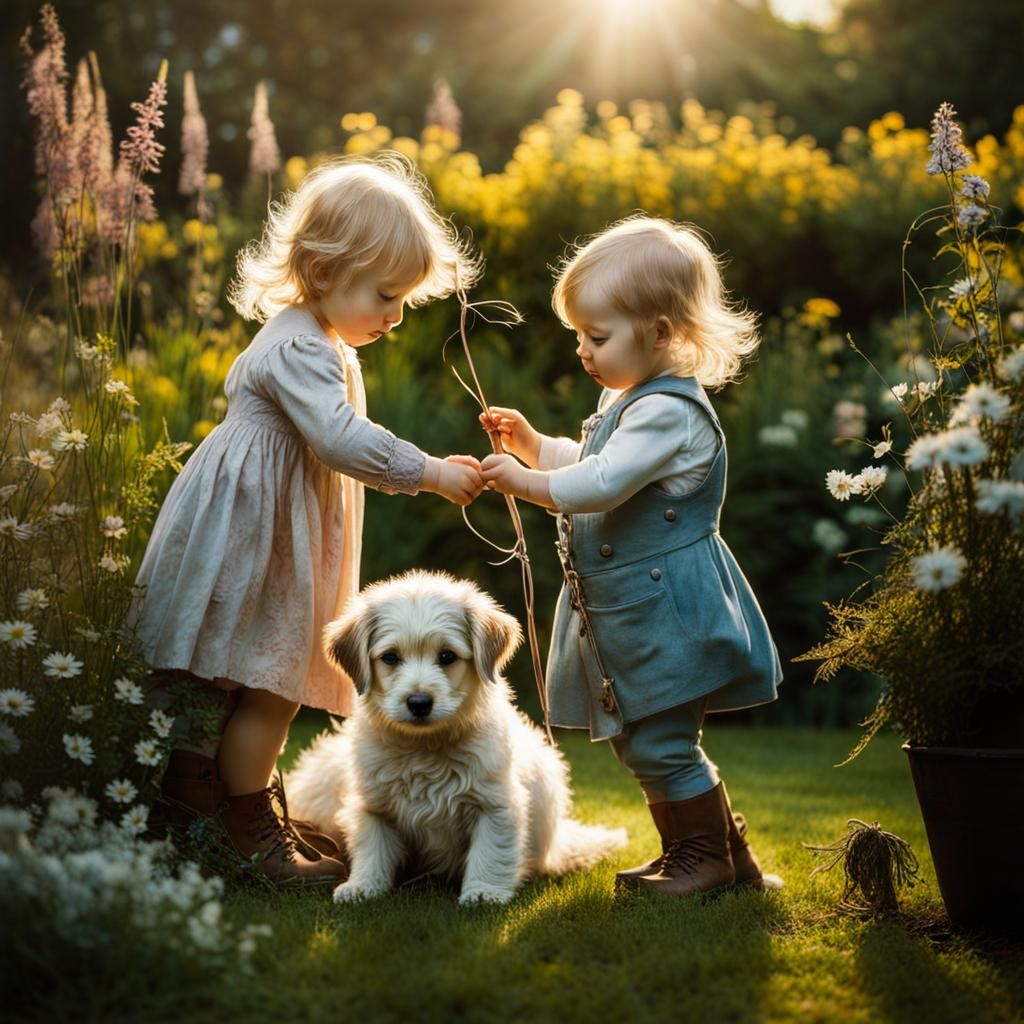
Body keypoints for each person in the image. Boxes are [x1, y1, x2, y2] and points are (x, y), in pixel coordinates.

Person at [130, 154, 485, 886]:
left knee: (232, 677)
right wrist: (431, 472)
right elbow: (339, 439)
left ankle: (203, 817)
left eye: (403, 300)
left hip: (263, 535)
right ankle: (244, 828)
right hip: (253, 537)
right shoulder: (298, 345)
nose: (394, 316)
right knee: (270, 684)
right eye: (385, 295)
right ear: (323, 272)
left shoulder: (317, 340)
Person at [479, 216, 782, 897]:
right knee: (645, 738)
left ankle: (703, 858)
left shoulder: (668, 412)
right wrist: (535, 447)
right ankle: (718, 856)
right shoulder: (628, 400)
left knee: (660, 740)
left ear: (661, 332)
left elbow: (604, 483)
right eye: (579, 337)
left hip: (665, 609)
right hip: (634, 607)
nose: (584, 352)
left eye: (598, 337)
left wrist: (526, 483)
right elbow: (594, 462)